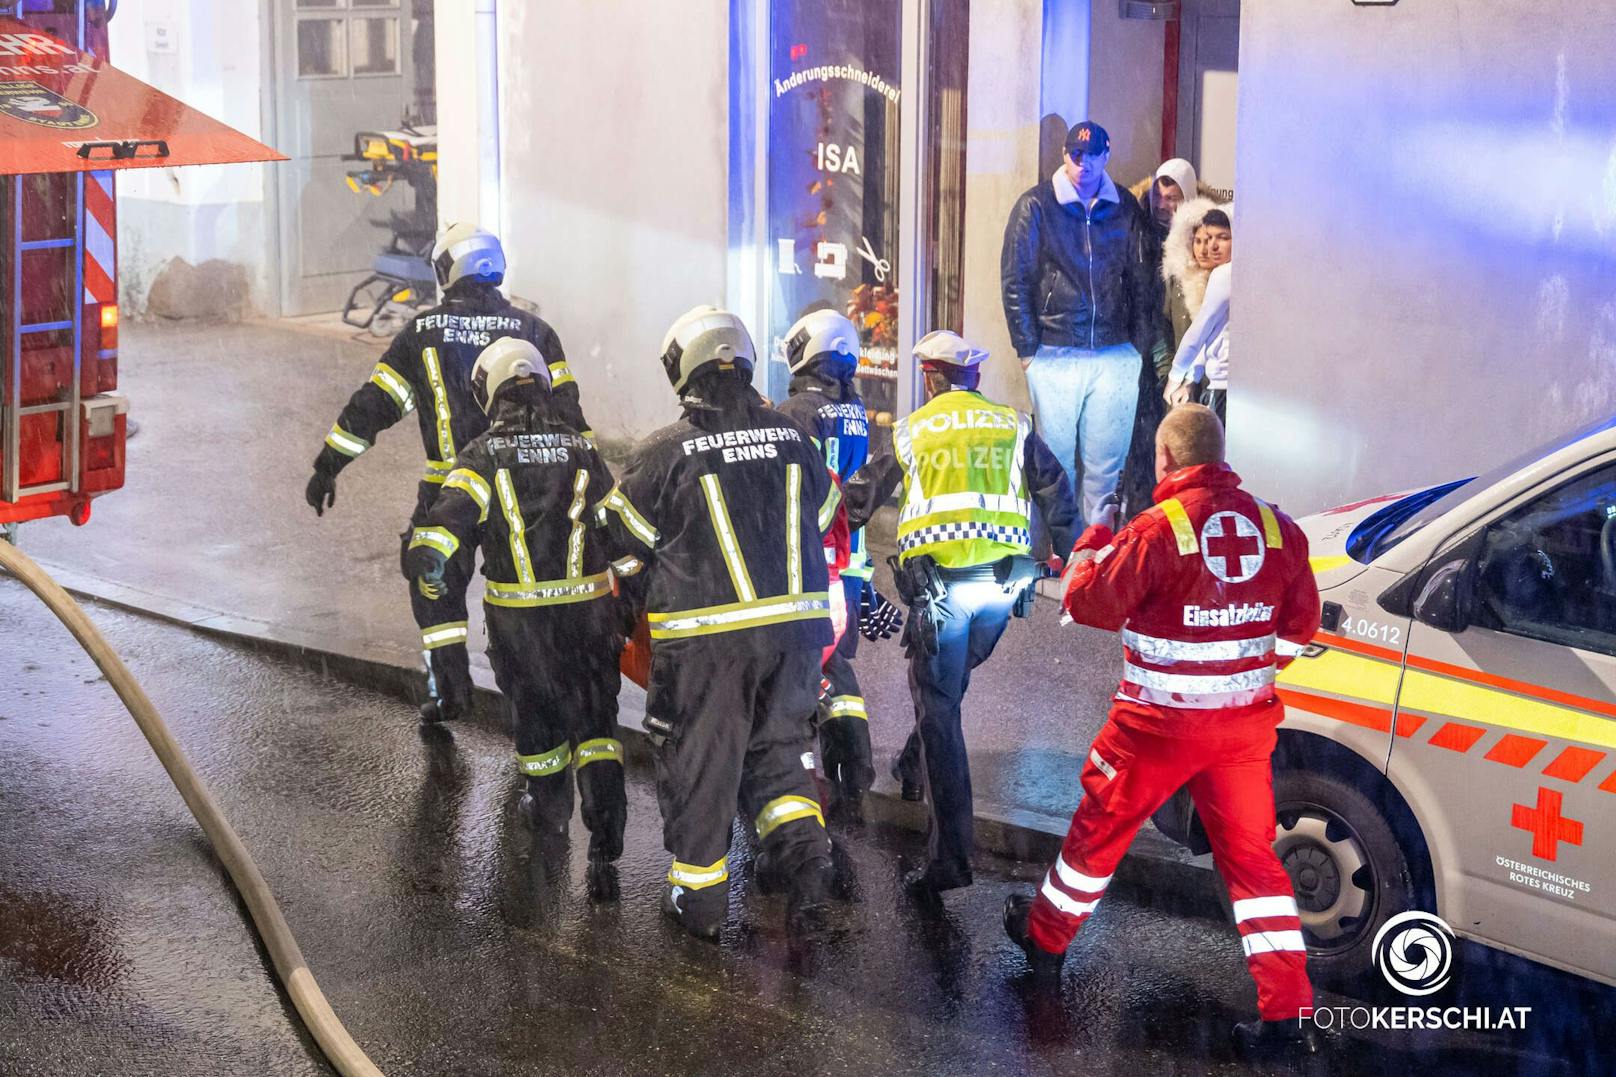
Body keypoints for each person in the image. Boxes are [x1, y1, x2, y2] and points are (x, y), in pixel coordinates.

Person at [1003, 404, 1321, 1058]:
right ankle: (1286, 1011)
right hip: (1240, 734)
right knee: (1256, 867)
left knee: (1098, 837)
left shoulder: (1156, 532)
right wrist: (1244, 673)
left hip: (1154, 729)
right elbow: (1301, 626)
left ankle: (1046, 944)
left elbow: (1091, 603)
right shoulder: (1277, 528)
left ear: (1167, 459)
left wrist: (1091, 544)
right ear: (1221, 454)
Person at [600, 305, 841, 941]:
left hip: (707, 647)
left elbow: (620, 550)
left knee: (700, 764)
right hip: (795, 638)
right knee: (779, 757)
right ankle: (808, 869)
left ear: (685, 370)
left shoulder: (662, 455)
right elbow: (825, 520)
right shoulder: (794, 439)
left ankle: (700, 903)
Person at [305, 223, 590, 724]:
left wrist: (329, 464)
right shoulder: (536, 332)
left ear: (449, 270)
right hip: (525, 491)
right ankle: (539, 703)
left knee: (434, 584)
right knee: (527, 592)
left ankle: (450, 691)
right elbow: (570, 418)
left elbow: (375, 405)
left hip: (449, 490)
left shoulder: (423, 333)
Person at [845, 330, 1078, 904]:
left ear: (930, 377)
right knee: (944, 695)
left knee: (940, 710)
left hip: (943, 594)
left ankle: (949, 858)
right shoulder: (1013, 425)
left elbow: (856, 502)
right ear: (973, 377)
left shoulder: (912, 431)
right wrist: (1072, 555)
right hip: (1001, 591)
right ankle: (909, 766)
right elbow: (1055, 489)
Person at [404, 338, 627, 900]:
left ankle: (549, 812)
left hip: (523, 626)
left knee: (538, 717)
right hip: (590, 615)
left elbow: (445, 523)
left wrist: (427, 558)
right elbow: (617, 525)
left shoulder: (481, 455)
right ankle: (606, 832)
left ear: (489, 393)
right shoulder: (581, 450)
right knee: (598, 721)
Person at [772, 308, 904, 821]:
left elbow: (793, 492)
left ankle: (808, 790)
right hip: (849, 568)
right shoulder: (855, 410)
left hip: (810, 563)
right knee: (837, 672)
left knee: (809, 673)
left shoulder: (796, 413)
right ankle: (851, 773)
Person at [1000, 120, 1161, 524]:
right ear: (1064, 155)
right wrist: (1028, 352)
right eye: (1075, 155)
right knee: (1055, 466)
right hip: (1055, 351)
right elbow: (1015, 278)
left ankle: (1097, 555)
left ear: (1107, 155)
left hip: (1114, 352)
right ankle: (1057, 555)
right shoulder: (1036, 206)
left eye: (1092, 156)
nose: (1083, 164)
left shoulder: (1123, 206)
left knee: (1107, 468)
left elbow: (1142, 279)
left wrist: (1135, 349)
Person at [1165, 209, 1233, 423]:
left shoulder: (1225, 274)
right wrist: (1190, 377)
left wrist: (1176, 375)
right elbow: (1212, 331)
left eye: (1222, 238)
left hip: (1223, 389)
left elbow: (1201, 329)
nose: (1212, 246)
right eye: (1208, 237)